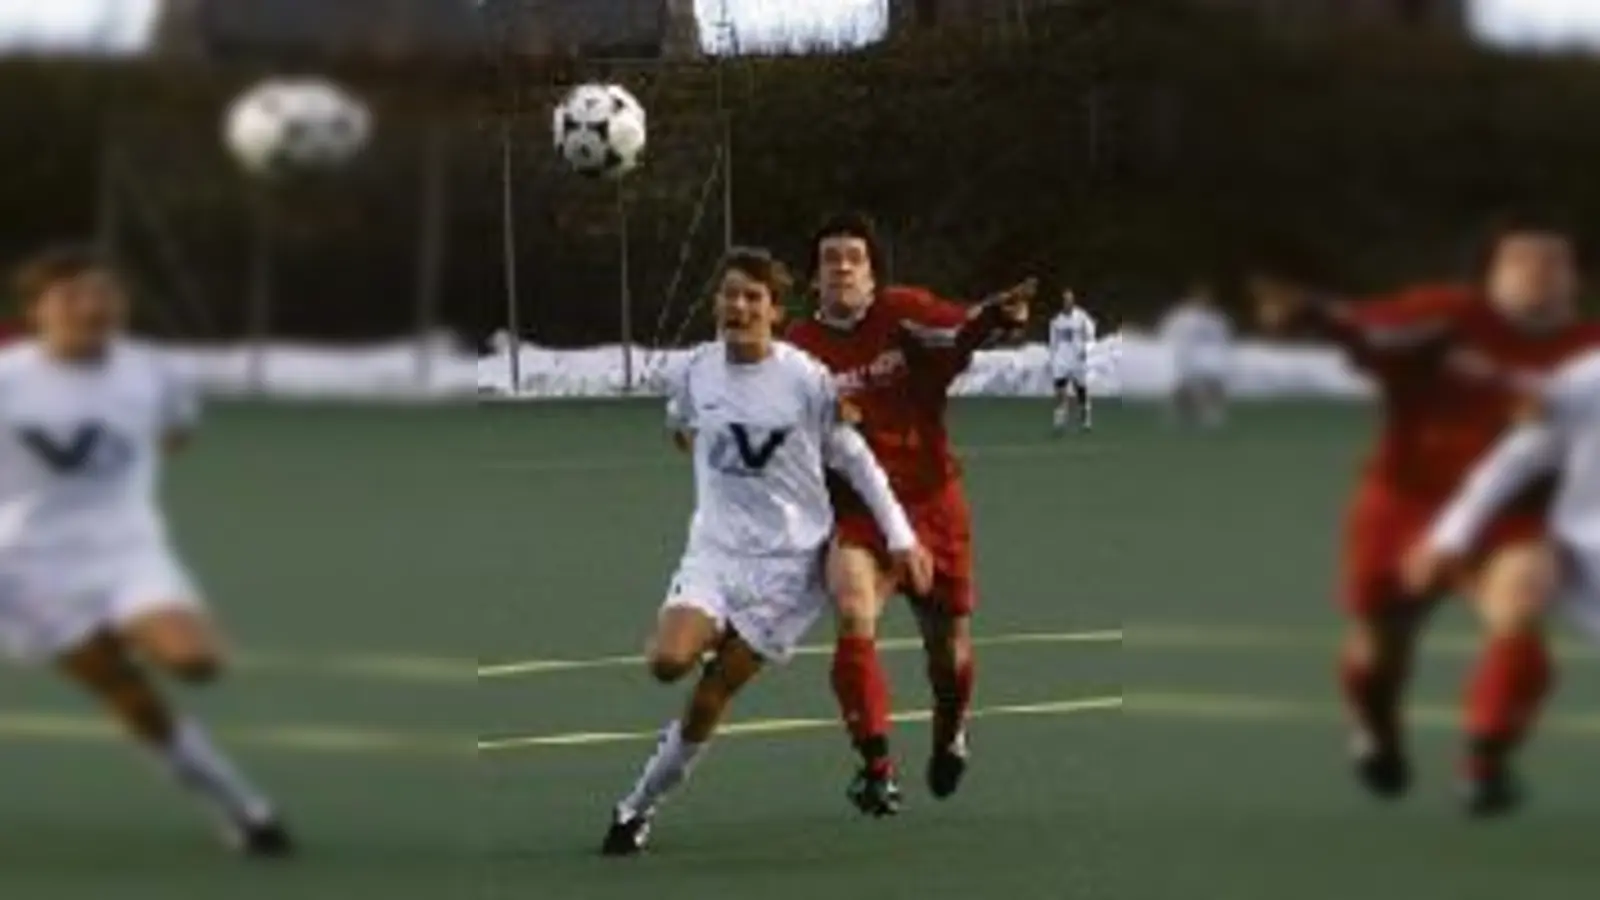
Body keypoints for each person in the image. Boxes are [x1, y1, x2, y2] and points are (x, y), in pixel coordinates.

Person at [1250, 217, 1600, 814]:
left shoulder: (1585, 351)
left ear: (1576, 279)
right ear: (1492, 273)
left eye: (1554, 260)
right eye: (1523, 259)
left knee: (1521, 610)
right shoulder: (1447, 317)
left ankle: (1484, 763)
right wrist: (1315, 315)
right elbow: (1372, 331)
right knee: (1381, 650)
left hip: (1515, 515)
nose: (1539, 271)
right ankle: (1378, 730)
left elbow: (1535, 445)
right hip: (1405, 503)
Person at [601, 247, 930, 855]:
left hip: (788, 572)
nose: (739, 306)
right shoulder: (694, 370)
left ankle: (635, 807)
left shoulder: (805, 379)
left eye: (754, 297)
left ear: (776, 312)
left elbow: (855, 459)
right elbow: (679, 421)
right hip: (716, 554)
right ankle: (707, 637)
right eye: (730, 294)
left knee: (709, 699)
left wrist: (901, 536)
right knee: (667, 662)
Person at [0, 245, 290, 854]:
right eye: (72, 294)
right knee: (131, 697)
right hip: (27, 572)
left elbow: (176, 435)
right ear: (35, 311)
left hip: (127, 554)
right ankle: (244, 810)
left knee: (196, 661)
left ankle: (116, 636)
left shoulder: (153, 372)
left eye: (104, 291)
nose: (93, 305)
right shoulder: (9, 380)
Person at [786, 212, 1032, 816]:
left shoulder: (902, 314)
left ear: (872, 275)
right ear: (814, 279)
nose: (842, 267)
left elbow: (957, 330)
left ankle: (950, 730)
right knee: (852, 607)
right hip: (858, 513)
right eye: (829, 258)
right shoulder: (795, 349)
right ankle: (875, 766)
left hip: (931, 503)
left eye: (854, 257)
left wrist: (994, 317)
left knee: (947, 653)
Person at [1159, 284, 1233, 429]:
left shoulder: (1216, 319)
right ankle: (1181, 415)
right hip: (1184, 359)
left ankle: (1209, 415)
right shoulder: (1180, 317)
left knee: (1208, 387)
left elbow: (1223, 340)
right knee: (1183, 390)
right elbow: (1169, 336)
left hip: (1209, 361)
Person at [1048, 289, 1098, 432]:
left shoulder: (1082, 317)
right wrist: (1053, 358)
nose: (1067, 303)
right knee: (1060, 390)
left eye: (1070, 300)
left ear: (1073, 301)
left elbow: (1091, 334)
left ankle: (1085, 420)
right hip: (1062, 360)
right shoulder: (1056, 321)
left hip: (1077, 360)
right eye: (1065, 300)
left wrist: (1086, 349)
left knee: (1081, 390)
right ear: (1062, 303)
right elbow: (1053, 342)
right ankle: (1059, 421)